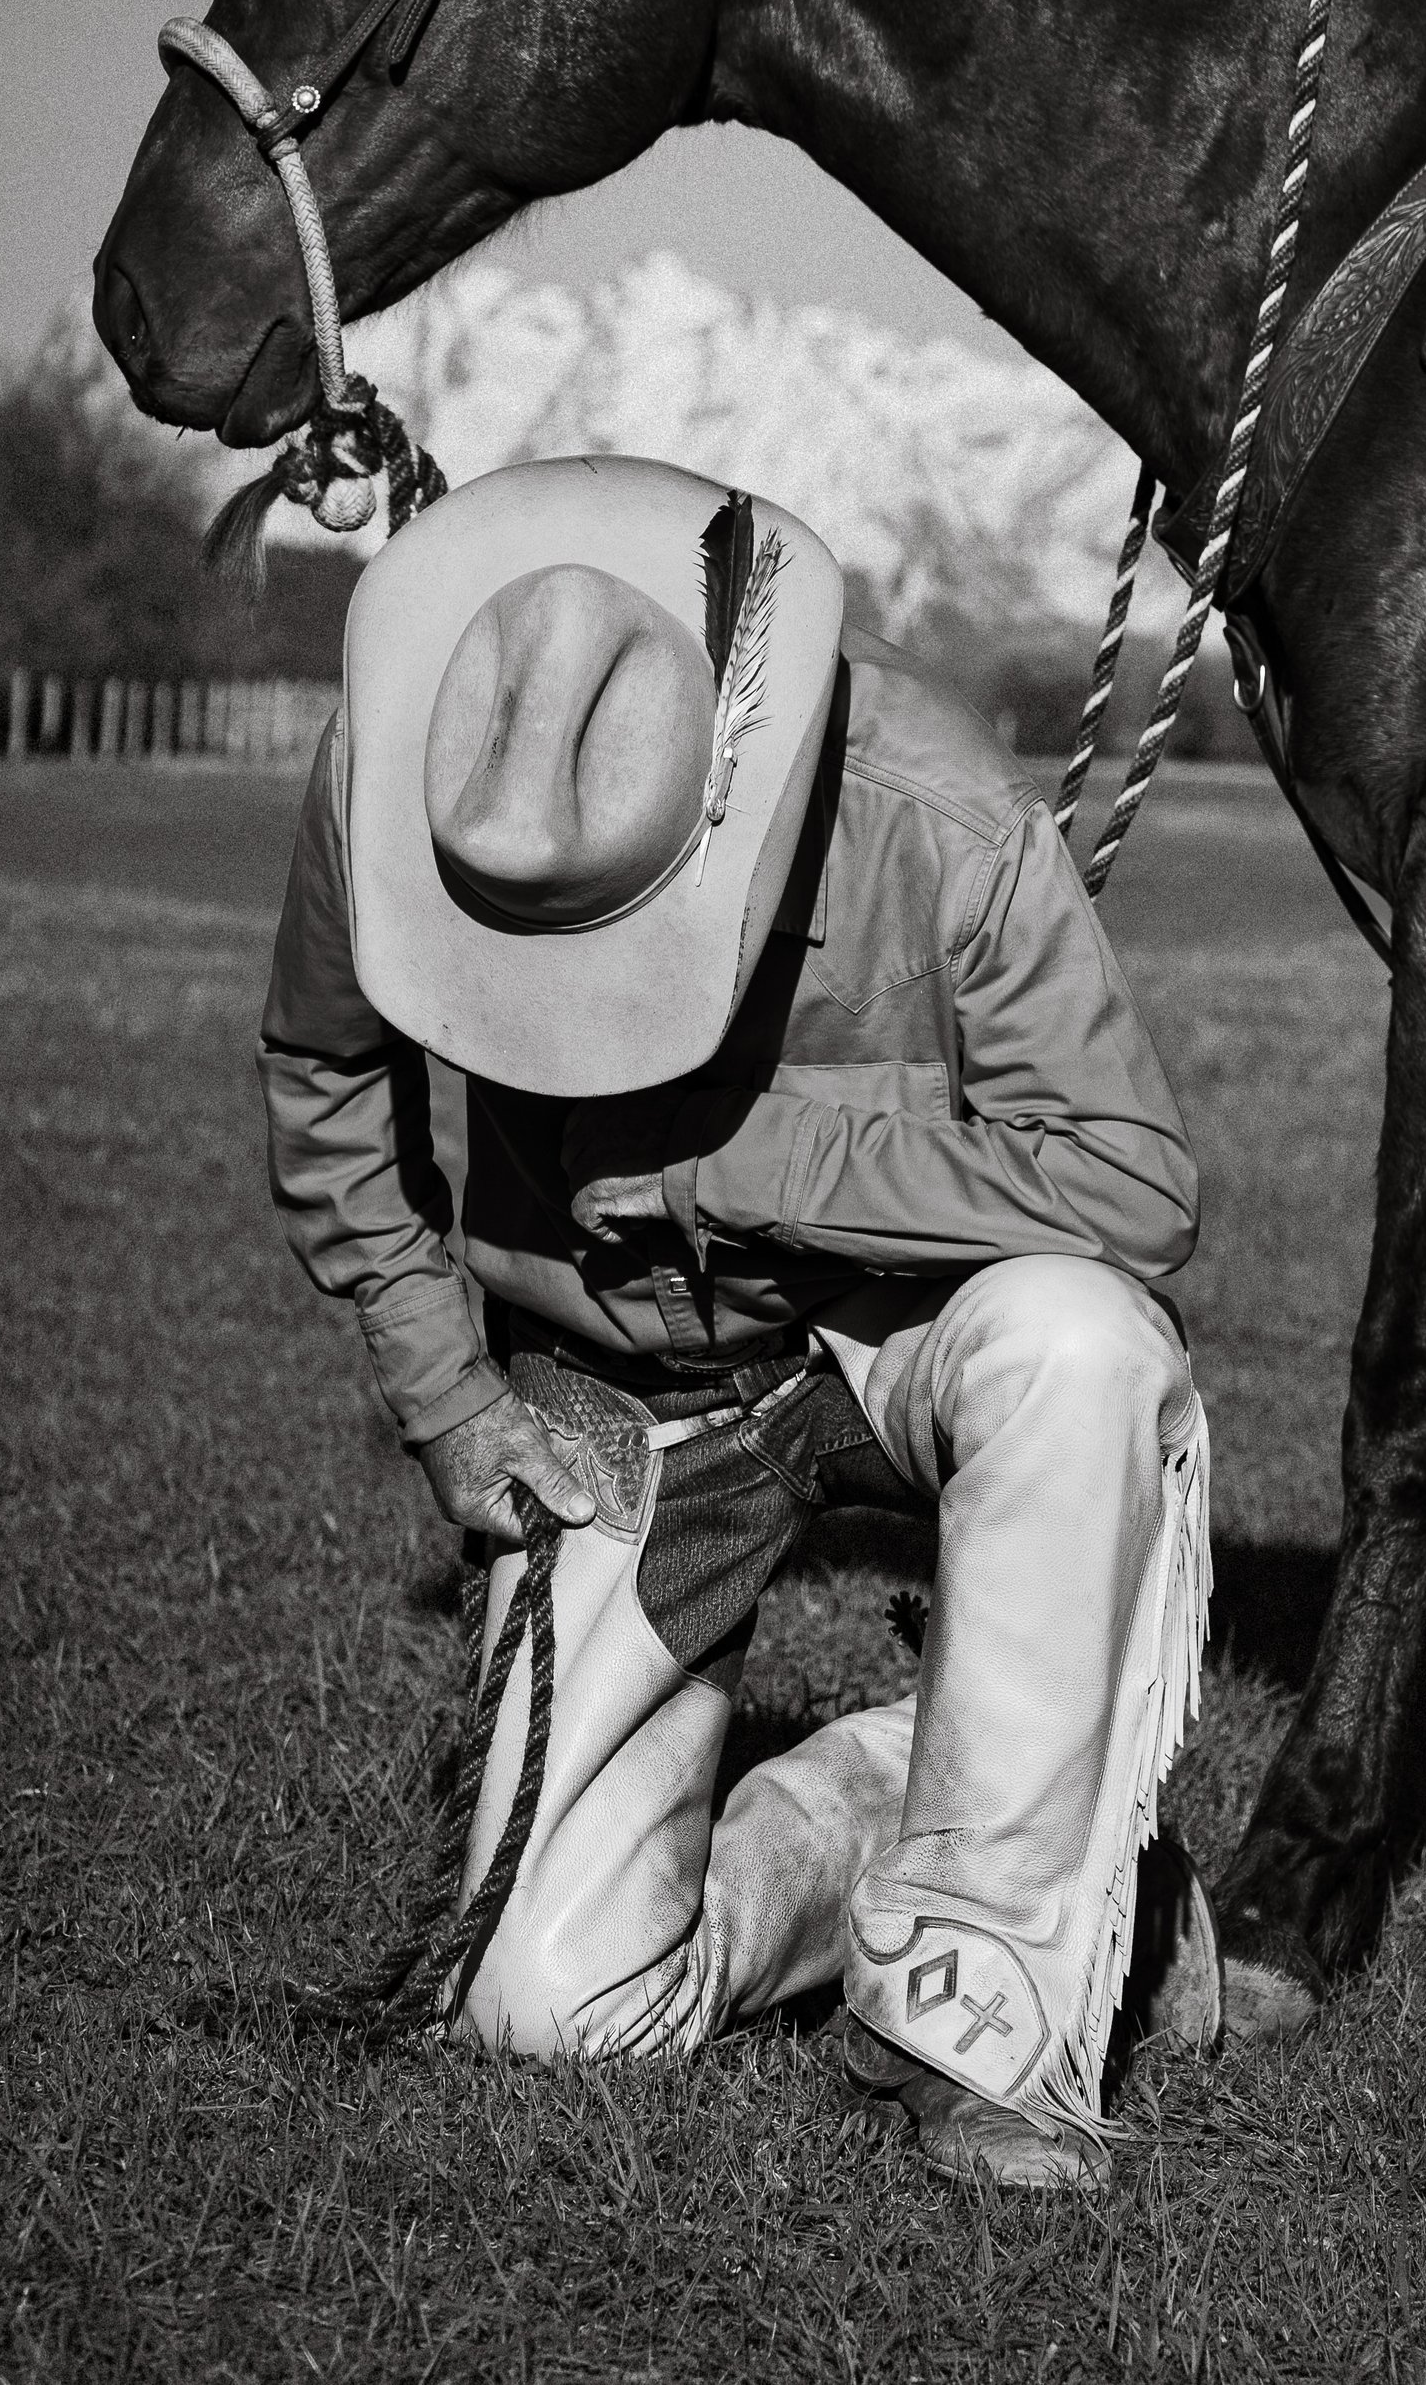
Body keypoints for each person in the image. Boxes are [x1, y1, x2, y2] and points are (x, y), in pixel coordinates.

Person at [258, 453, 1214, 2189]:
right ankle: (963, 1797)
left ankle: (982, 1993)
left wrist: (750, 1159)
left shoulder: (942, 812)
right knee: (552, 2011)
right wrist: (451, 1396)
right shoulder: (411, 773)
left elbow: (1136, 1185)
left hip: (887, 1344)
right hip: (609, 1386)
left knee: (1086, 1344)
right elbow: (327, 1069)